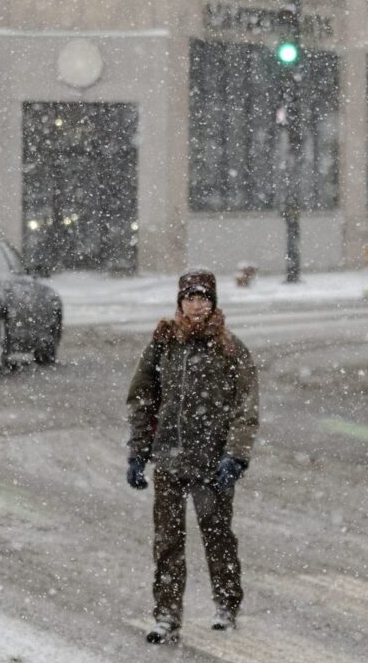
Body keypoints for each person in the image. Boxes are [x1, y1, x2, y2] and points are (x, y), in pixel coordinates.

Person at [126, 270, 260, 644]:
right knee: (167, 541)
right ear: (180, 302)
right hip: (169, 459)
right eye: (190, 298)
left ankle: (226, 605)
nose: (196, 305)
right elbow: (143, 399)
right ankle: (167, 615)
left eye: (203, 298)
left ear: (213, 303)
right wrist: (138, 452)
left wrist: (235, 455)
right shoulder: (164, 344)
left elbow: (245, 408)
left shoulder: (231, 349)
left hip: (212, 464)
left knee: (217, 537)